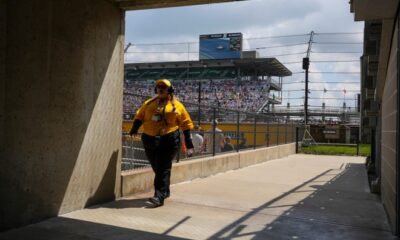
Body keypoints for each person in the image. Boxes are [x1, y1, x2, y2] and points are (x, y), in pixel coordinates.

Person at [129, 79, 194, 207]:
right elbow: (140, 116)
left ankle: (158, 197)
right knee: (157, 167)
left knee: (163, 168)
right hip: (149, 139)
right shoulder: (149, 103)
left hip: (168, 140)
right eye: (158, 87)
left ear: (170, 90)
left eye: (163, 87)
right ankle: (165, 191)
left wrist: (189, 143)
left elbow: (186, 124)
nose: (160, 89)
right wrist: (134, 128)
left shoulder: (177, 106)